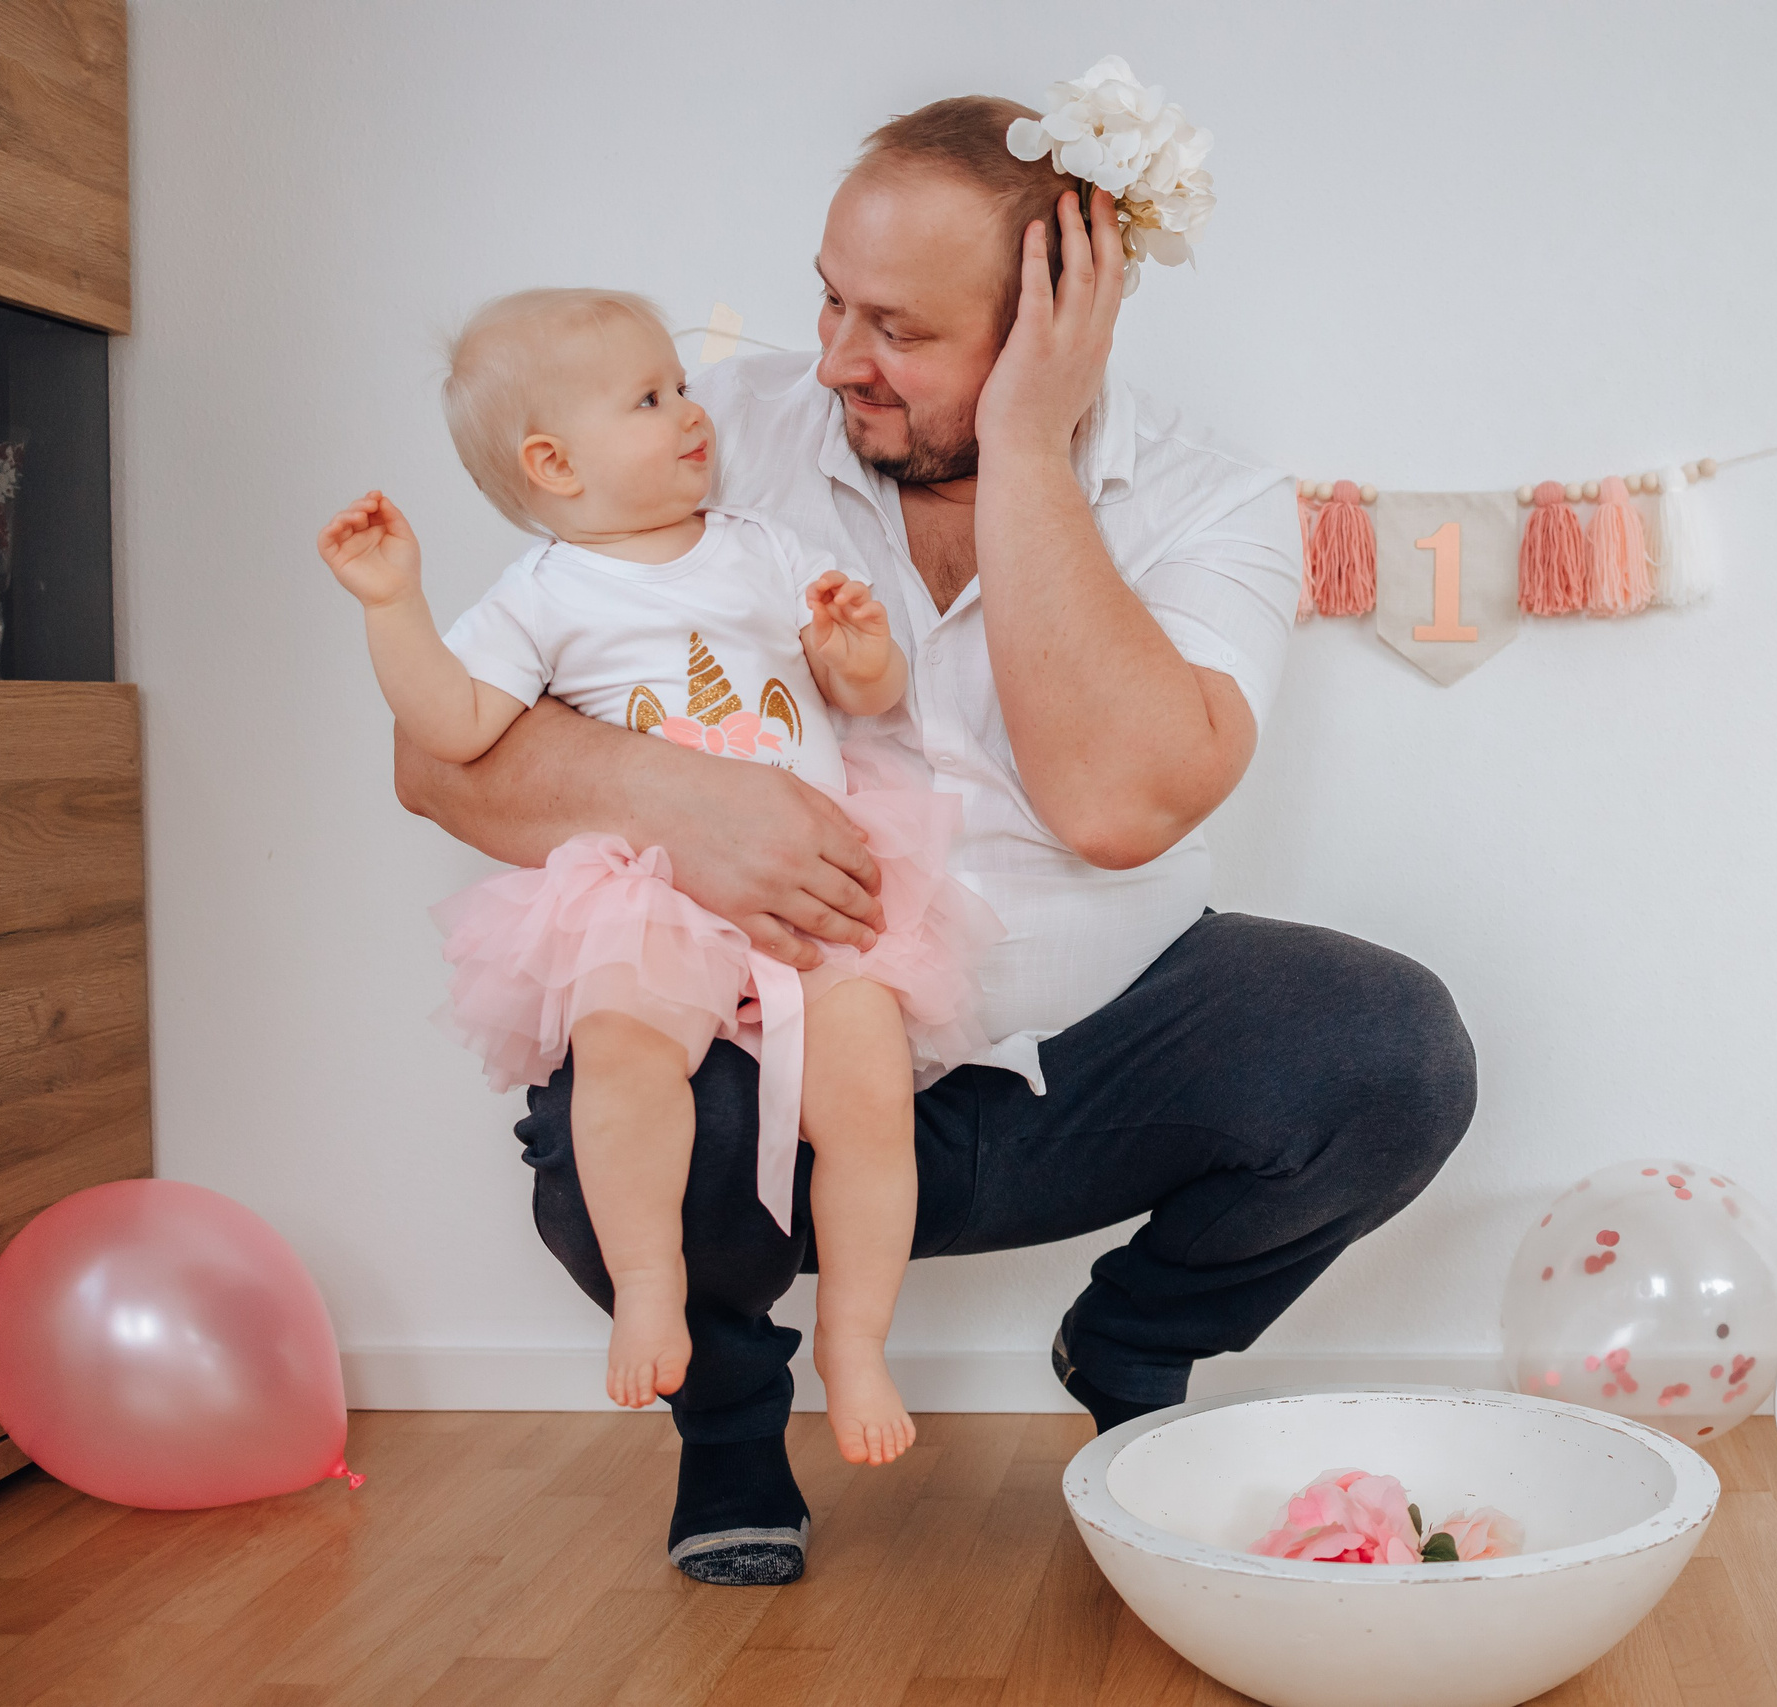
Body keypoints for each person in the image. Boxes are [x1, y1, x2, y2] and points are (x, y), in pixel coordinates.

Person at [393, 96, 1477, 1588]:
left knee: (1392, 1050)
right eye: (829, 297)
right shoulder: (708, 434)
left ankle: (1135, 1340)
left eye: (895, 326)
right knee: (609, 1121)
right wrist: (685, 802)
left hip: (1082, 1063)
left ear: (1054, 323)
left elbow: (1116, 805)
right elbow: (440, 756)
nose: (838, 355)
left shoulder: (1214, 504)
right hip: (778, 1039)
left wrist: (1028, 445)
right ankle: (729, 1426)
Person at [321, 287, 1001, 1471]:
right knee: (628, 1057)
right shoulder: (542, 594)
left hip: (812, 879)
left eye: (680, 387)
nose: (692, 413)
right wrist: (395, 610)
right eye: (648, 399)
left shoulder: (764, 547)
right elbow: (453, 725)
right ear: (555, 462)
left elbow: (867, 697)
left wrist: (856, 655)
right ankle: (649, 1284)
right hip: (650, 892)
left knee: (869, 1098)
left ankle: (855, 1337)